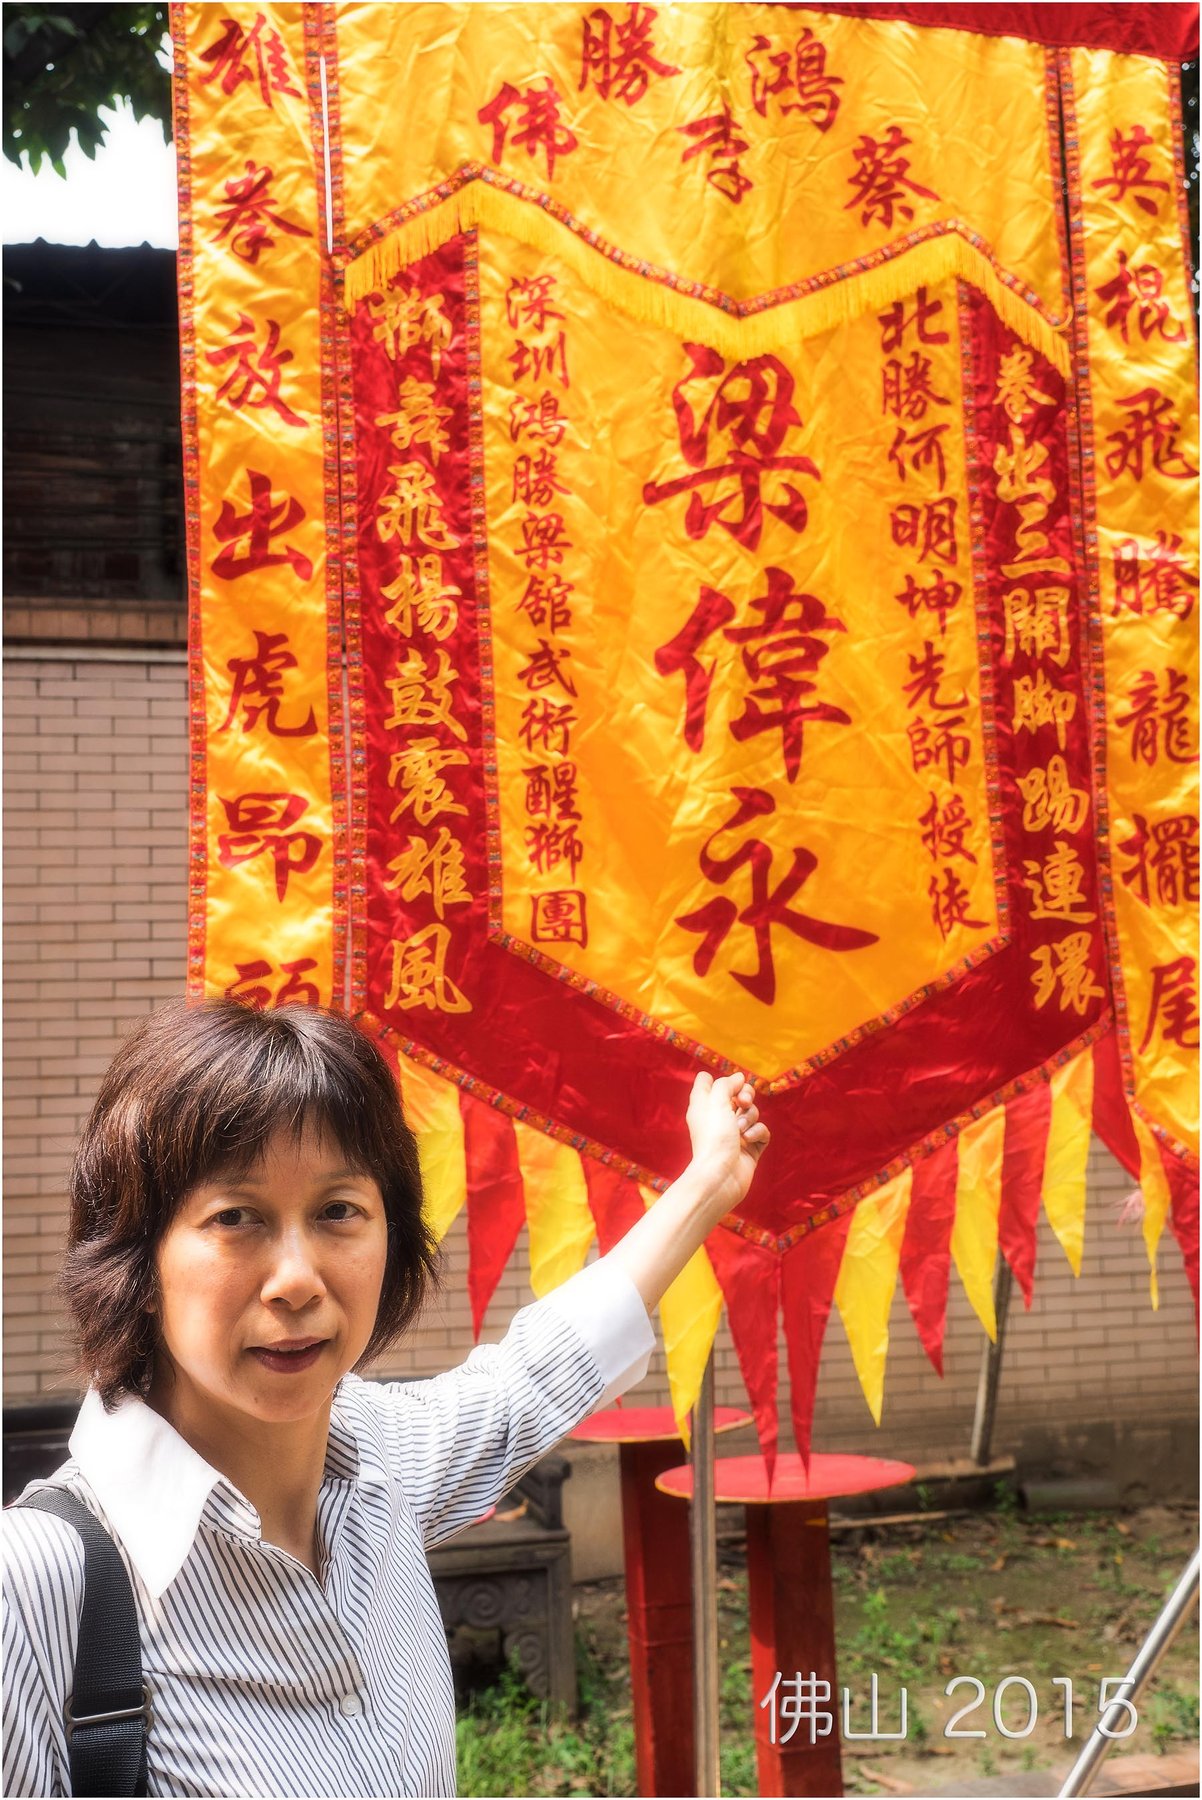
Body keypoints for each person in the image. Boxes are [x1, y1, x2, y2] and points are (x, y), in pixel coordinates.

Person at [3, 999, 769, 1798]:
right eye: (235, 1217)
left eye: (338, 1211)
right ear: (136, 1255)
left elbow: (530, 1377)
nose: (297, 1279)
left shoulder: (378, 1463)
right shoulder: (34, 1591)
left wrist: (710, 1181)